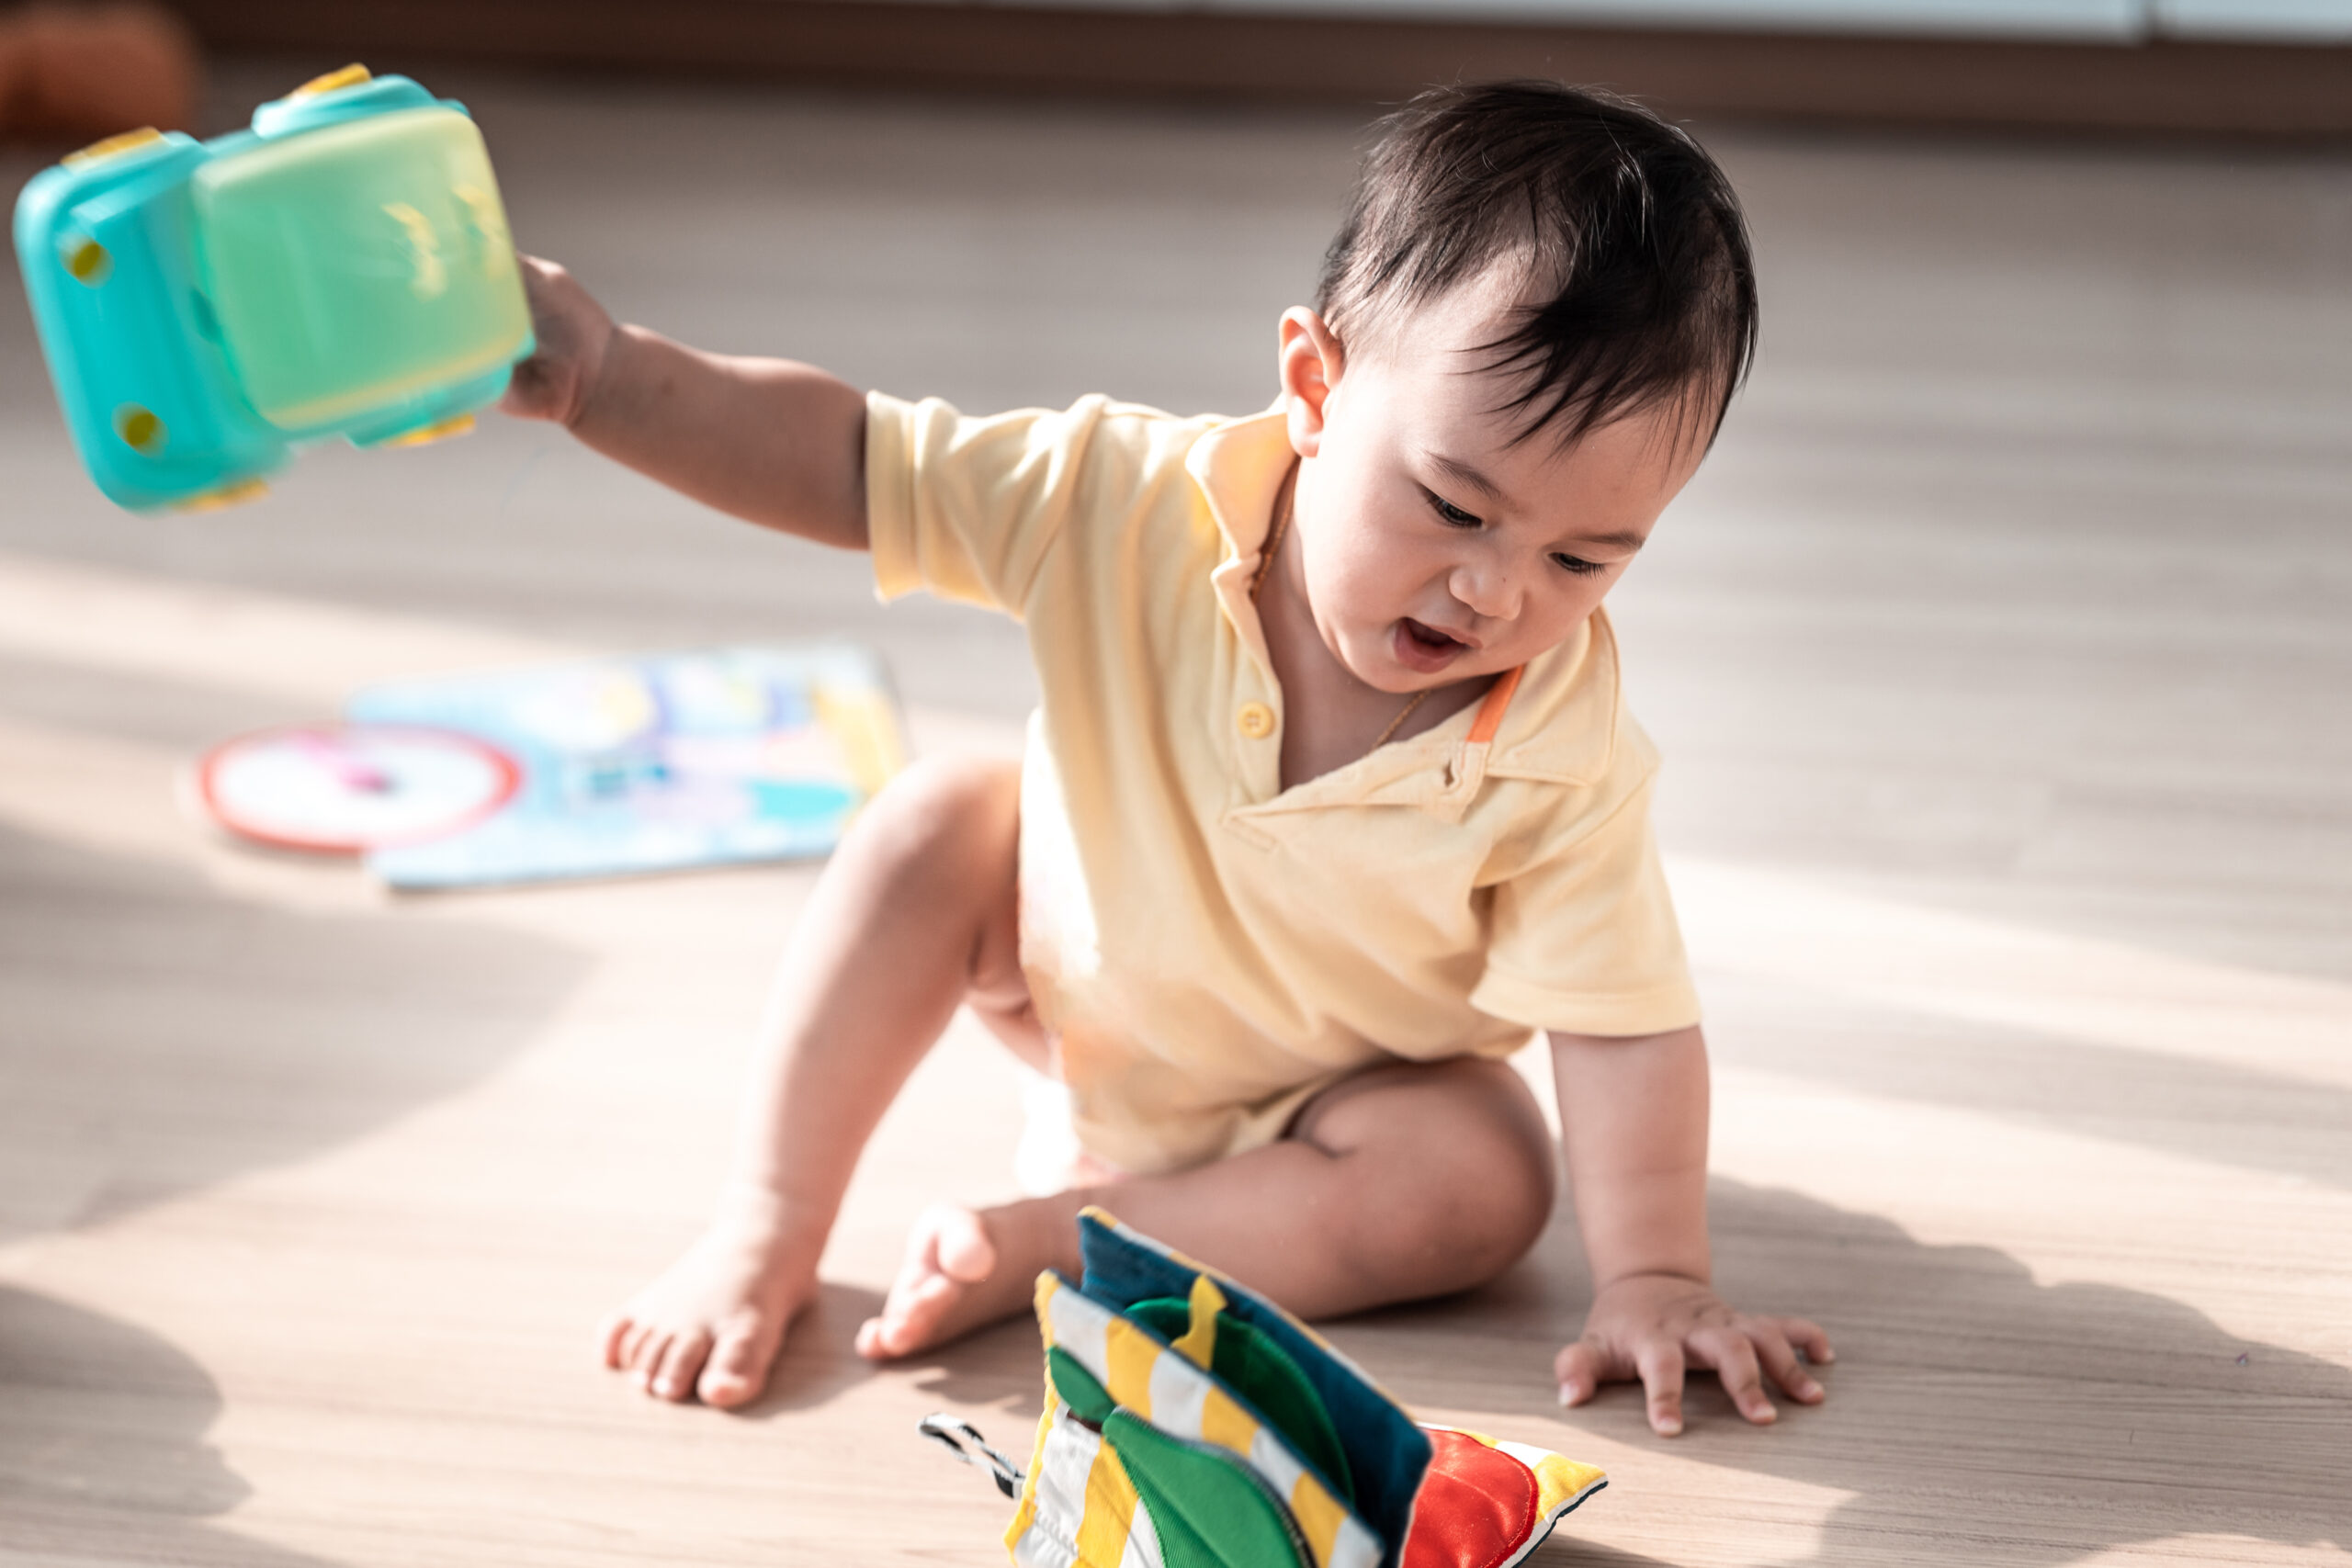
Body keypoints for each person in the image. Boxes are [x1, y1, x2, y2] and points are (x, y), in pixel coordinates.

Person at [503, 80, 1832, 1438]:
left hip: (1334, 1116)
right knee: (934, 821)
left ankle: (1072, 1244)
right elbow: (855, 462)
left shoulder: (1562, 752)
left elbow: (1626, 1026)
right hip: (1077, 993)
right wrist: (609, 382)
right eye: (1451, 505)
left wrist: (1659, 1276)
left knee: (1488, 1178)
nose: (1495, 592)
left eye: (1583, 558)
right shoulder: (1118, 502)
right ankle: (767, 1224)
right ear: (1315, 388)